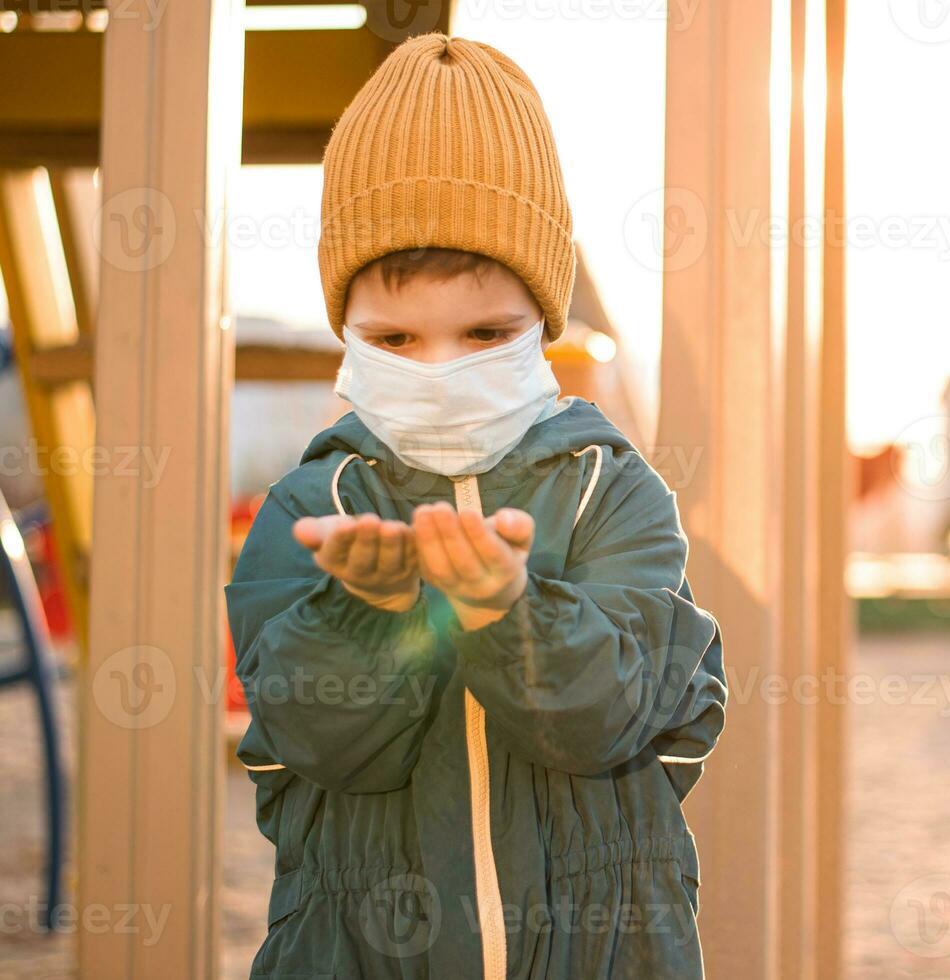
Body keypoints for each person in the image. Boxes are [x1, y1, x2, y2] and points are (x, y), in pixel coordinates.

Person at [225, 32, 726, 979]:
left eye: (487, 332)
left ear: (546, 320)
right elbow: (317, 746)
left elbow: (610, 721)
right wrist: (361, 617)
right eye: (397, 337)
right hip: (358, 949)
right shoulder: (308, 506)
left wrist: (510, 614)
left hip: (602, 948)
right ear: (346, 331)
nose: (443, 369)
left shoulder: (612, 495)